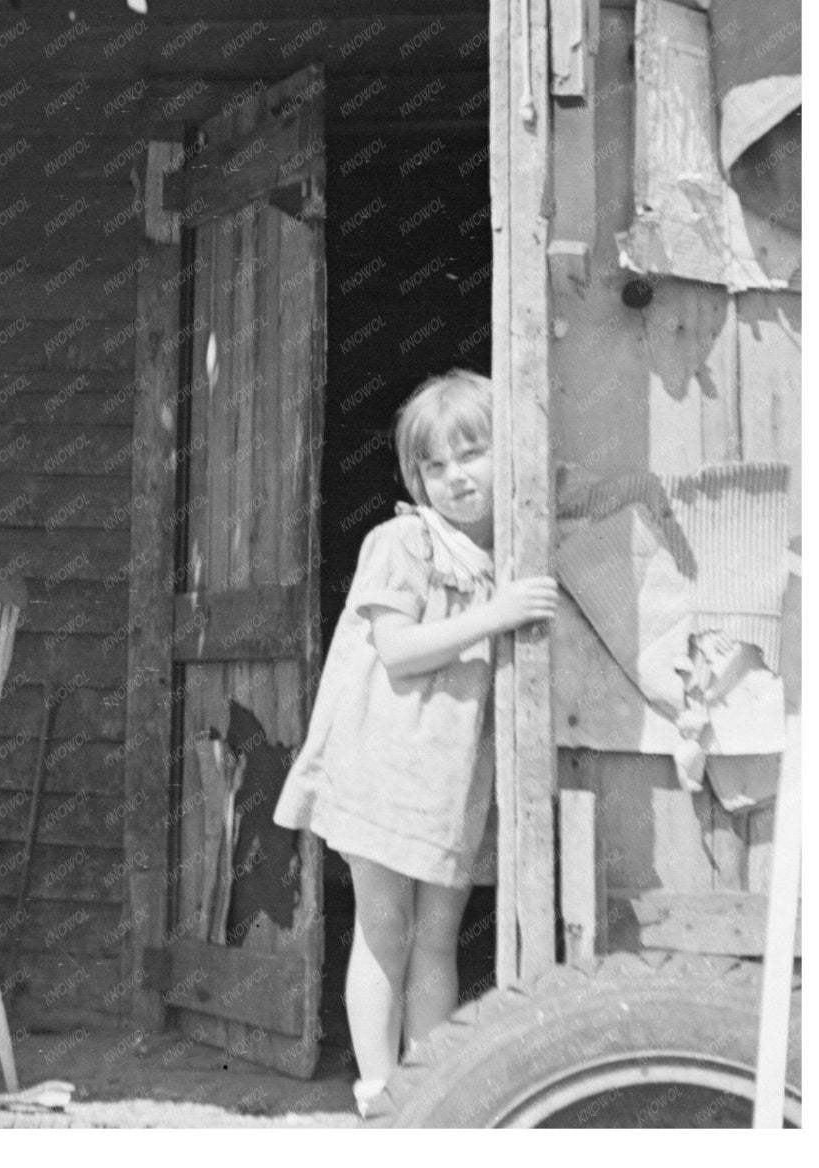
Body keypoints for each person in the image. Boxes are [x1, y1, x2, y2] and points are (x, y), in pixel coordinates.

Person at [273, 370, 559, 1118]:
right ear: (414, 477)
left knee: (438, 937)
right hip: (385, 762)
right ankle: (377, 1088)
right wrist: (495, 615)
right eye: (435, 465)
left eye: (472, 455)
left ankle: (430, 1086)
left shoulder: (513, 551)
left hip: (450, 778)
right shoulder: (404, 541)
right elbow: (398, 651)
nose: (455, 477)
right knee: (385, 925)